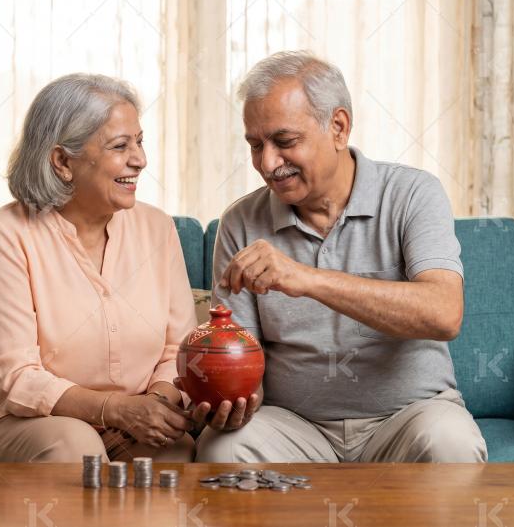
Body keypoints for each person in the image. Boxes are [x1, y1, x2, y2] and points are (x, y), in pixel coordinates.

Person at [192, 51, 487, 464]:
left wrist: (307, 279)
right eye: (256, 146)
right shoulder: (241, 221)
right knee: (222, 449)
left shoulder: (413, 194)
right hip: (294, 425)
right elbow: (245, 356)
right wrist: (235, 398)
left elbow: (444, 314)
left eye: (284, 142)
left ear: (338, 127)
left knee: (451, 443)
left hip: (409, 416)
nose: (267, 163)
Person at [0, 73, 197, 463]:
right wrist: (116, 410)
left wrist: (156, 406)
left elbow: (179, 349)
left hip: (124, 421)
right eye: (120, 146)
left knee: (173, 454)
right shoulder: (4, 234)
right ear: (62, 161)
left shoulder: (157, 228)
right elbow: (15, 377)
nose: (140, 160)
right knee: (75, 447)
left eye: (140, 142)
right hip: (7, 417)